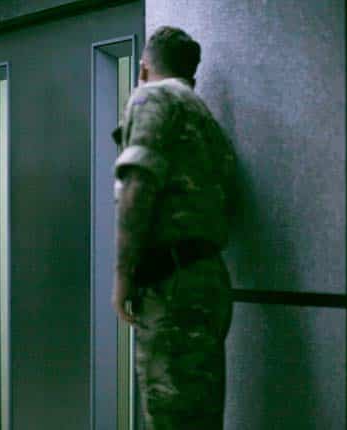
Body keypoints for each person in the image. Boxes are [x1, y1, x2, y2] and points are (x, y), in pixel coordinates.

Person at [112, 26, 236, 429]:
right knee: (201, 413)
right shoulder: (204, 120)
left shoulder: (153, 96)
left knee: (169, 412)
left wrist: (123, 277)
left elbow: (137, 187)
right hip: (208, 279)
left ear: (143, 69)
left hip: (171, 284)